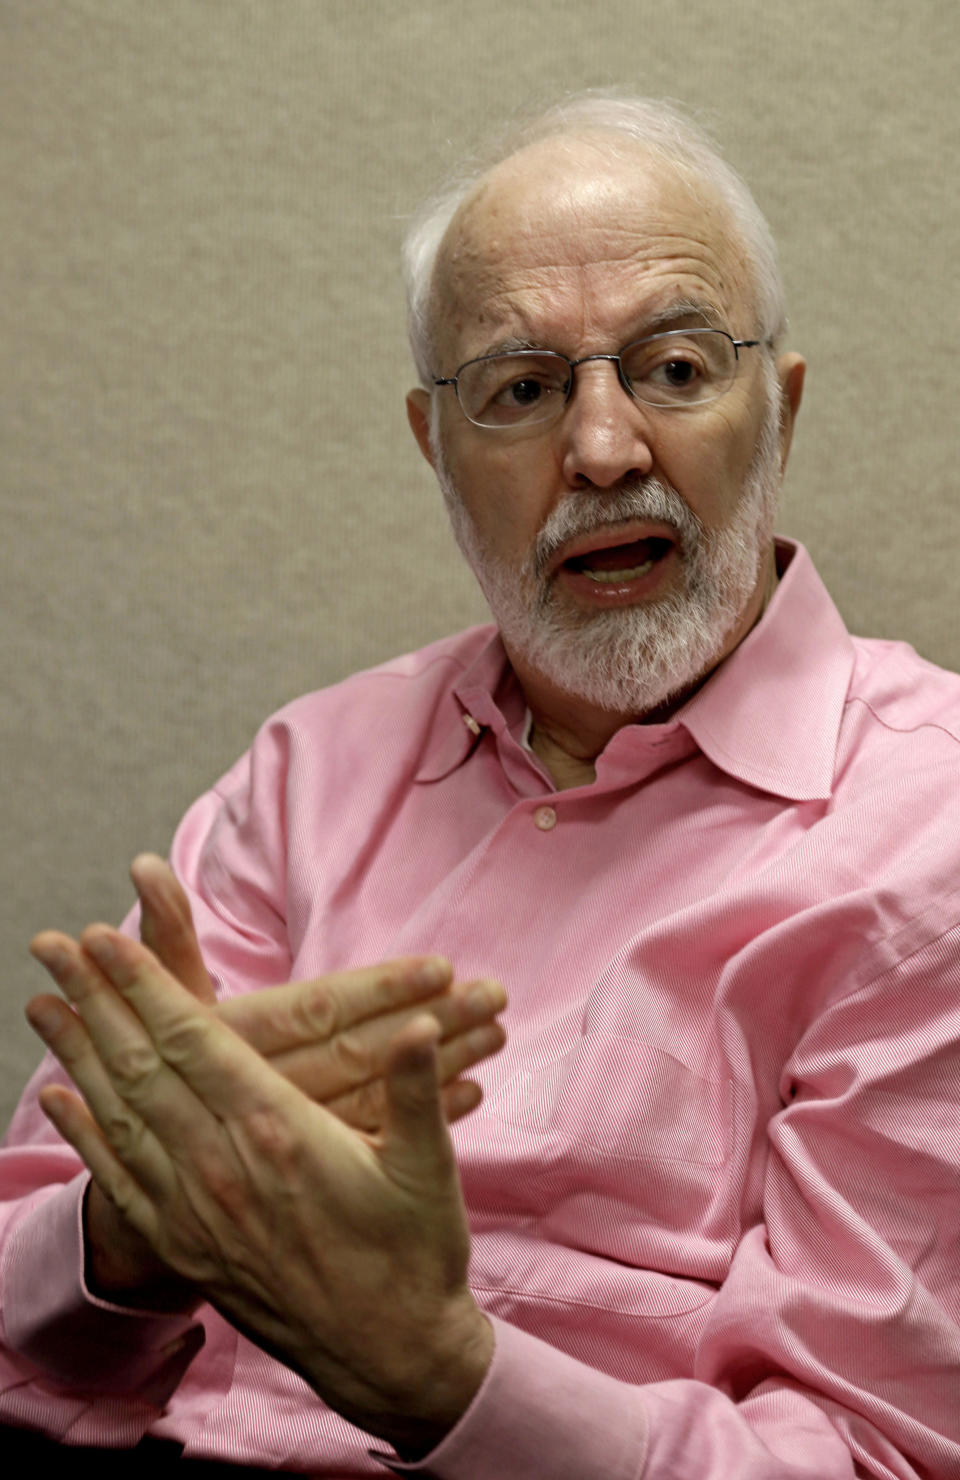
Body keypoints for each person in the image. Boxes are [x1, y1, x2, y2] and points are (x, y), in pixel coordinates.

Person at [2, 92, 959, 1479]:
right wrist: (131, 1235)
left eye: (676, 369)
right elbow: (25, 1339)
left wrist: (438, 1377)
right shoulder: (308, 776)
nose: (607, 450)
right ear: (433, 447)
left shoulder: (929, 833)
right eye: (520, 389)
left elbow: (871, 1453)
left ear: (782, 409)